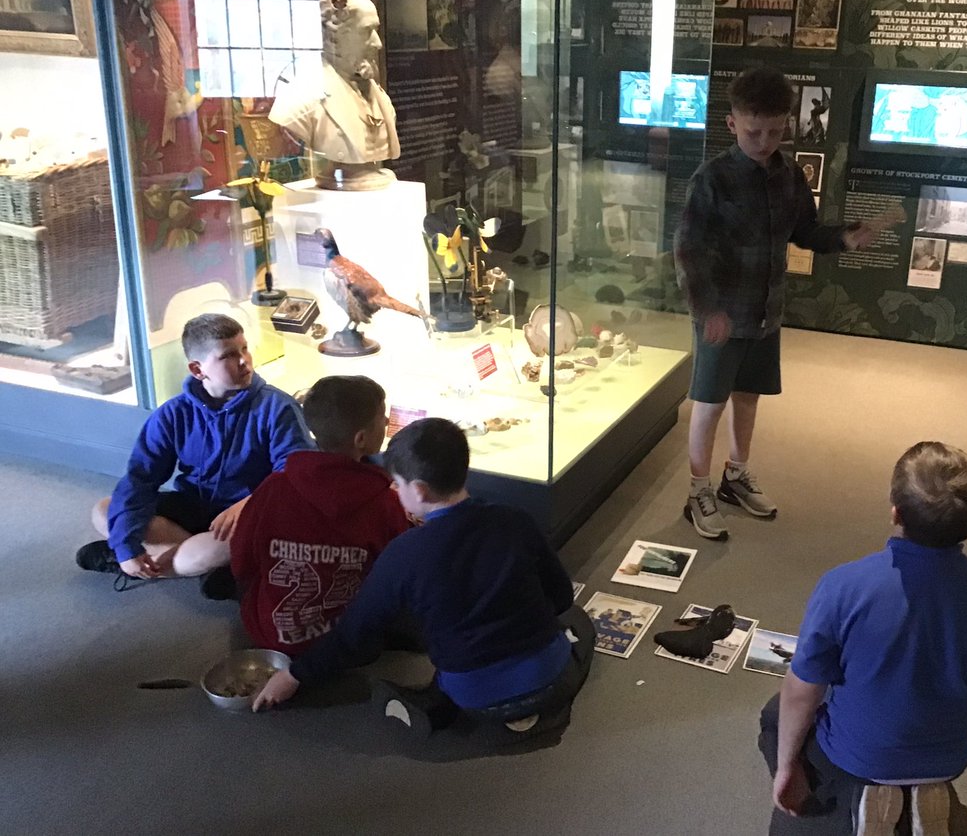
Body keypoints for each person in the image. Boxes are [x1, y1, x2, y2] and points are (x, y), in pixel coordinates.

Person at [252, 417, 595, 737]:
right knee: (578, 622)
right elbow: (562, 597)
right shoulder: (515, 520)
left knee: (449, 659)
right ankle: (539, 703)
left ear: (417, 490)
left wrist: (295, 674)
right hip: (552, 680)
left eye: (396, 484)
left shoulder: (403, 553)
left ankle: (435, 708)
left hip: (471, 695)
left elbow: (353, 634)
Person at [674, 66, 901, 540]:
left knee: (749, 397)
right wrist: (708, 309)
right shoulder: (711, 179)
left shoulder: (789, 174)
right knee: (710, 402)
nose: (764, 141)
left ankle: (736, 475)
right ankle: (698, 490)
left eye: (775, 131)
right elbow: (690, 251)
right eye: (754, 131)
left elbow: (807, 232)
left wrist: (845, 237)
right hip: (721, 314)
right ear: (732, 124)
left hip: (765, 311)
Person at [759, 441, 967, 836]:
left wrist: (786, 768)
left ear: (895, 512)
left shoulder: (843, 587)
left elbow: (803, 691)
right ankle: (926, 796)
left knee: (774, 715)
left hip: (858, 756)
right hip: (944, 761)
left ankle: (857, 802)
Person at [74, 313, 313, 591]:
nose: (244, 360)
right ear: (198, 370)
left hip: (247, 515)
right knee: (103, 509)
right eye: (228, 356)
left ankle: (167, 562)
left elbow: (296, 474)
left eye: (244, 348)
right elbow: (141, 479)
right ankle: (205, 569)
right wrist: (126, 546)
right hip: (194, 506)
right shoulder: (173, 413)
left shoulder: (278, 407)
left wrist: (250, 502)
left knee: (213, 551)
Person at [230, 375, 411, 654]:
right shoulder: (384, 503)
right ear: (361, 439)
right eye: (381, 418)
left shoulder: (273, 489)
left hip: (272, 636)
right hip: (349, 643)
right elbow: (398, 573)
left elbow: (242, 560)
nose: (386, 423)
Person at [269, 0, 399, 189]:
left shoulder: (378, 95)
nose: (378, 43)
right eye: (366, 31)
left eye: (376, 30)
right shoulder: (303, 96)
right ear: (335, 36)